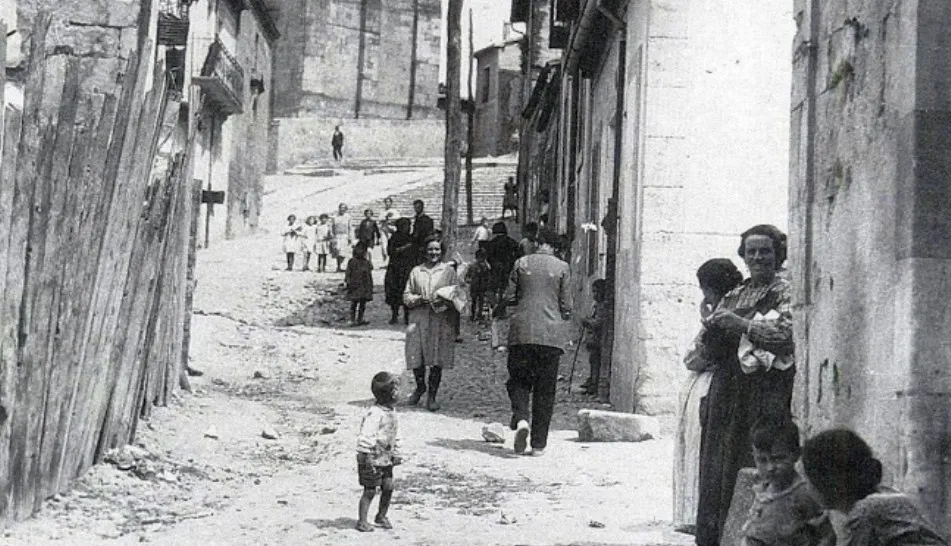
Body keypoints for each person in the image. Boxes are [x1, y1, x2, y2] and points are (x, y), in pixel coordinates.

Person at [695, 225, 796, 546]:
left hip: (763, 392)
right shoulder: (735, 293)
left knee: (753, 459)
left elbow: (787, 337)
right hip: (726, 392)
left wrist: (741, 325)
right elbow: (704, 346)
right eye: (751, 251)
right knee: (717, 465)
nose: (757, 257)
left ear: (778, 253)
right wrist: (710, 329)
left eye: (764, 251)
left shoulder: (786, 290)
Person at [673, 258, 744, 534]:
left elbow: (695, 356)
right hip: (711, 385)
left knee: (705, 454)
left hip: (711, 387)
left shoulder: (721, 315)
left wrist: (706, 319)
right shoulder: (722, 310)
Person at [801, 429, 948, 546]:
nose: (806, 486)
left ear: (824, 482)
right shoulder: (888, 498)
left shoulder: (867, 512)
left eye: (807, 478)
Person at [499, 227, 572, 456]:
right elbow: (566, 306)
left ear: (537, 243)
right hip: (550, 337)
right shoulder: (562, 268)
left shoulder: (521, 263)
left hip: (521, 332)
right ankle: (538, 444)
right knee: (545, 390)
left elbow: (509, 298)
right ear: (553, 246)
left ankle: (521, 419)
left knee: (518, 381)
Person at [740, 416, 830, 546]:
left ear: (796, 454)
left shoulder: (803, 493)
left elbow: (826, 535)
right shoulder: (762, 487)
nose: (770, 467)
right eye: (762, 460)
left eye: (778, 459)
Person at [403, 236, 459, 411]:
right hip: (419, 319)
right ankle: (420, 387)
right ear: (425, 252)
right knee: (416, 356)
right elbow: (406, 296)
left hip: (440, 319)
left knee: (436, 358)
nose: (433, 253)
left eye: (436, 249)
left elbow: (458, 296)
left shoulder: (448, 272)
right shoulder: (416, 272)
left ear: (441, 252)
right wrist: (419, 299)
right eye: (430, 249)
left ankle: (432, 396)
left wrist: (446, 300)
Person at [356, 372, 402, 532]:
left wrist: (396, 452)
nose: (399, 393)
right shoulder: (375, 413)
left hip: (385, 458)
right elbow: (365, 436)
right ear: (390, 394)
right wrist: (366, 457)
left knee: (388, 486)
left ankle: (381, 515)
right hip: (371, 458)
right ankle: (362, 520)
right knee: (370, 490)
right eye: (397, 390)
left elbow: (394, 434)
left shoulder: (391, 412)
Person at [579, 279, 609, 396]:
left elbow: (598, 323)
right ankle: (592, 381)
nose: (594, 295)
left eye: (596, 292)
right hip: (594, 340)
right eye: (593, 292)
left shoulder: (603, 307)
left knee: (596, 362)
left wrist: (587, 321)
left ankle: (594, 384)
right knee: (593, 361)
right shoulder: (597, 305)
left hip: (599, 340)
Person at [384, 218, 414, 325]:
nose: (408, 228)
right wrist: (404, 248)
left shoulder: (411, 238)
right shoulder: (394, 238)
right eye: (406, 226)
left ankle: (407, 315)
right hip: (395, 268)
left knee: (406, 292)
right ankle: (394, 315)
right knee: (394, 292)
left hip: (407, 269)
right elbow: (390, 251)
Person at [483, 222, 520, 305]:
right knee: (504, 286)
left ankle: (495, 304)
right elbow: (518, 253)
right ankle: (502, 302)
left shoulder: (492, 243)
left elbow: (488, 256)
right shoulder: (511, 241)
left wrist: (493, 263)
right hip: (507, 267)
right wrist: (512, 262)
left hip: (495, 268)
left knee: (493, 288)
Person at [346, 242, 374, 326]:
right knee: (357, 303)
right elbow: (348, 273)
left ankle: (356, 319)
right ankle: (355, 319)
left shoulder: (362, 262)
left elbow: (371, 268)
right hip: (358, 285)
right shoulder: (356, 262)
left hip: (360, 285)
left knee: (359, 303)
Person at [464, 248, 492, 323]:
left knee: (481, 302)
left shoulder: (486, 267)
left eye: (483, 258)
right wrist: (468, 280)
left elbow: (489, 277)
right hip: (475, 286)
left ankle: (479, 315)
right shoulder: (473, 266)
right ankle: (473, 315)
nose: (481, 260)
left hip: (482, 287)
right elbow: (467, 276)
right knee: (474, 301)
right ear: (477, 258)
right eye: (480, 258)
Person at [331, 203, 354, 272]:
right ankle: (338, 266)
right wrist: (332, 236)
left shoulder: (348, 217)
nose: (342, 209)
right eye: (341, 208)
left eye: (344, 208)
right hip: (337, 236)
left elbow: (350, 227)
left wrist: (350, 237)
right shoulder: (335, 217)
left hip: (345, 236)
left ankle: (341, 265)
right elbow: (332, 227)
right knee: (337, 251)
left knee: (343, 252)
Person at [380, 196, 401, 262]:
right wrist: (385, 218)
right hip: (384, 230)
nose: (387, 203)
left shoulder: (394, 211)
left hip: (391, 230)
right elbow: (380, 220)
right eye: (386, 202)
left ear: (391, 203)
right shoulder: (382, 211)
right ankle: (385, 259)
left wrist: (391, 220)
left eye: (389, 202)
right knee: (384, 245)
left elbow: (398, 219)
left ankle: (391, 260)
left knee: (391, 245)